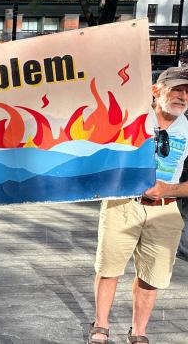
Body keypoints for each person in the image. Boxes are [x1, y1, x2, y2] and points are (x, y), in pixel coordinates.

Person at [88, 67, 188, 344]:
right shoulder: (131, 119)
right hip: (123, 203)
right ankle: (101, 325)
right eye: (176, 89)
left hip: (166, 210)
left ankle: (139, 332)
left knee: (151, 277)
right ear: (156, 91)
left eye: (187, 92)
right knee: (109, 268)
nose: (182, 96)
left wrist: (170, 189)